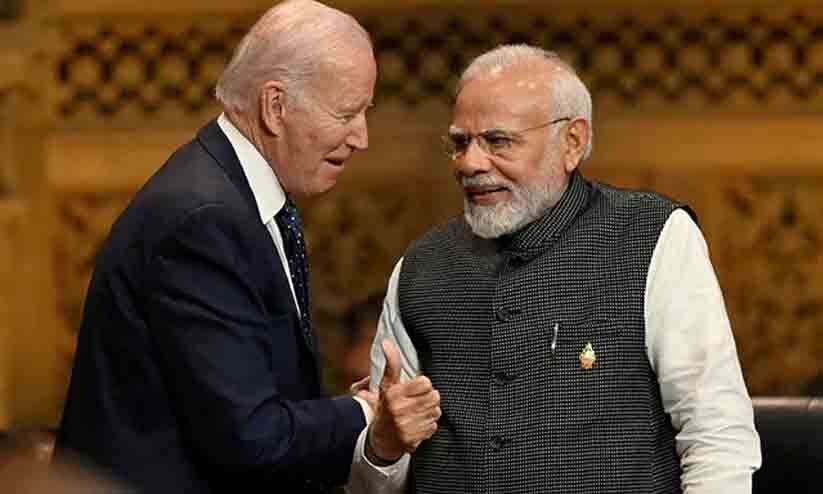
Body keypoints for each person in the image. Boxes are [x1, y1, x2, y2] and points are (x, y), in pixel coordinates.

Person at [55, 1, 439, 493]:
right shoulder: (201, 219)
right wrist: (366, 411)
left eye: (366, 112)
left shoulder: (230, 195)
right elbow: (250, 438)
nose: (362, 138)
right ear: (275, 106)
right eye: (346, 113)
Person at [355, 45, 762, 493]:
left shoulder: (652, 236)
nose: (471, 163)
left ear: (572, 142)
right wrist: (382, 446)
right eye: (460, 143)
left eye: (497, 141)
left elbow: (717, 438)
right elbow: (373, 482)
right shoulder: (420, 268)